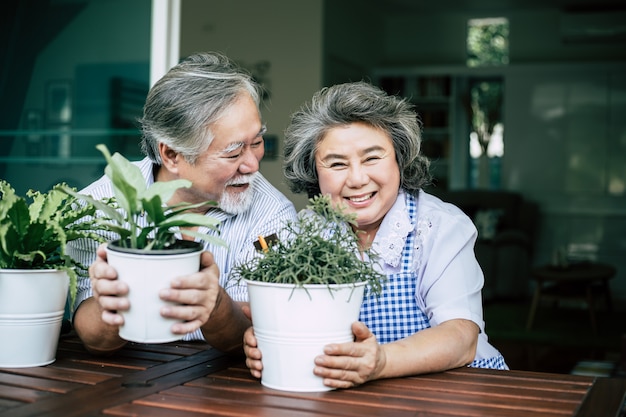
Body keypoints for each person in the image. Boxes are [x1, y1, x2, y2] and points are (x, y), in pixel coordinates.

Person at [242, 81, 508, 389]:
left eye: (372, 158)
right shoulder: (305, 231)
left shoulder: (439, 227)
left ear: (399, 158)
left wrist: (380, 361)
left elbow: (461, 337)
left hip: (456, 391)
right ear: (314, 172)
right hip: (359, 398)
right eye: (337, 164)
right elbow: (294, 321)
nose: (357, 179)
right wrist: (266, 337)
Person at [68, 52, 297, 355]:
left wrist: (215, 304)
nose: (253, 164)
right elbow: (94, 339)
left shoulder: (272, 217)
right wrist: (114, 303)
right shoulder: (100, 205)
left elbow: (252, 338)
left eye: (256, 143)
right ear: (172, 155)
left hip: (223, 384)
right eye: (233, 152)